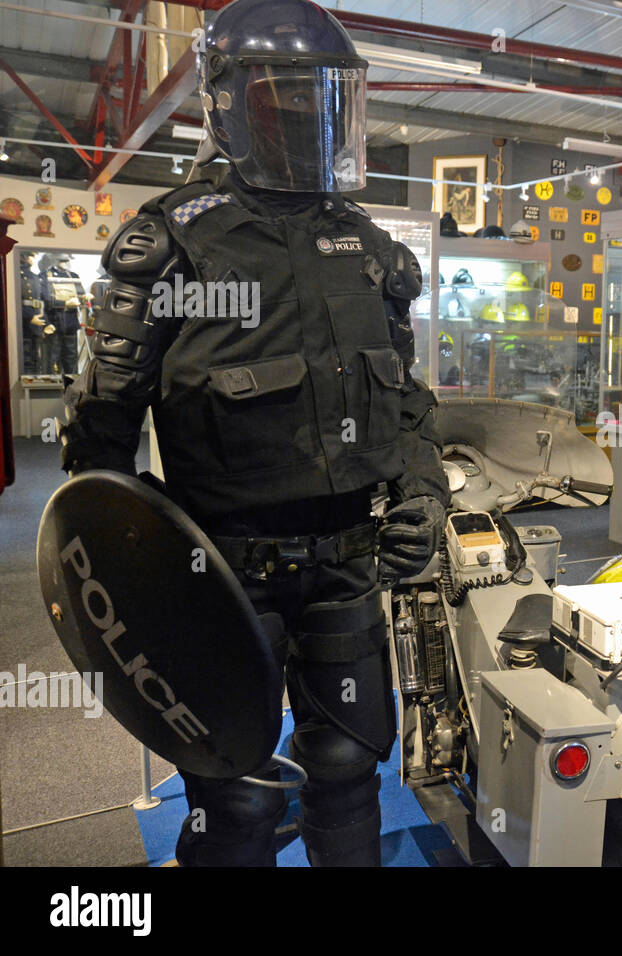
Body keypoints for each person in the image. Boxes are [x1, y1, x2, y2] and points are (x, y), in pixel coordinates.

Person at [60, 0, 450, 867]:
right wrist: (134, 577)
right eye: (289, 94)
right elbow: (100, 441)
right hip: (220, 572)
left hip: (351, 565)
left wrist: (424, 490)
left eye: (326, 95)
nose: (313, 114)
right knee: (234, 799)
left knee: (350, 774)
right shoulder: (169, 247)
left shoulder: (367, 249)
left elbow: (410, 404)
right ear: (231, 101)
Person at [42, 253, 87, 378]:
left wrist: (84, 298)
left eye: (67, 260)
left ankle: (72, 387)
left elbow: (81, 294)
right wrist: (66, 302)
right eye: (63, 260)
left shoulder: (73, 276)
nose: (66, 263)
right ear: (55, 260)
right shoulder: (45, 276)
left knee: (71, 359)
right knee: (53, 358)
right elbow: (46, 299)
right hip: (54, 322)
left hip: (70, 323)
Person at [18, 251, 47, 376]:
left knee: (36, 355)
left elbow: (40, 300)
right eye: (31, 256)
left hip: (36, 319)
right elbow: (15, 301)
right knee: (26, 355)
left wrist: (44, 320)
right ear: (23, 257)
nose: (33, 259)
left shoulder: (35, 277)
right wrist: (29, 317)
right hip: (23, 321)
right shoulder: (16, 276)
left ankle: (37, 379)